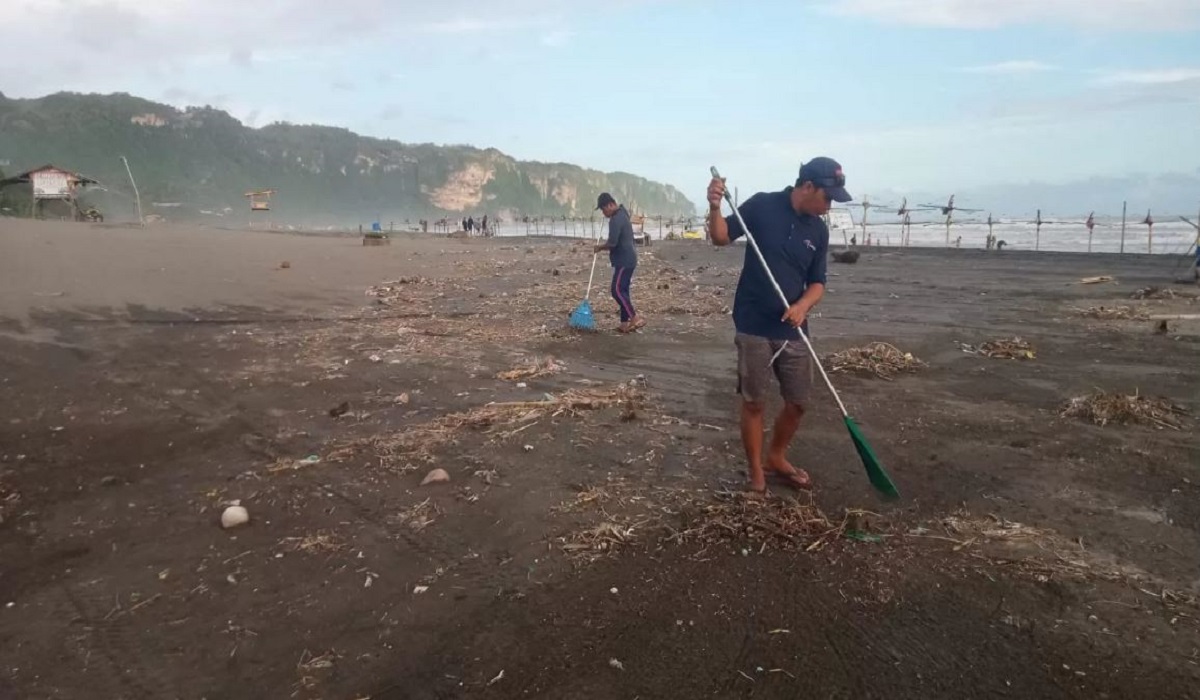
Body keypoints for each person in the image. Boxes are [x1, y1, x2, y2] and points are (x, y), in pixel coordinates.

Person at [706, 157, 851, 496]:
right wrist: (714, 206)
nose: (829, 207)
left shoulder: (819, 230)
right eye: (828, 198)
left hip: (793, 329)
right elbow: (721, 236)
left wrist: (802, 306)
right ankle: (756, 470)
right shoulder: (762, 205)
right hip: (754, 323)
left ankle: (776, 456)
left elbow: (818, 282)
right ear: (808, 186)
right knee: (755, 402)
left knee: (798, 401)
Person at [594, 192, 644, 333]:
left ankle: (634, 317)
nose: (603, 213)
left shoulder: (615, 220)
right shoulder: (623, 213)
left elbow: (612, 243)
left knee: (616, 291)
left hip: (624, 260)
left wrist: (599, 247)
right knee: (623, 290)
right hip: (629, 258)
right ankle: (624, 323)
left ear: (610, 205)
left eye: (604, 210)